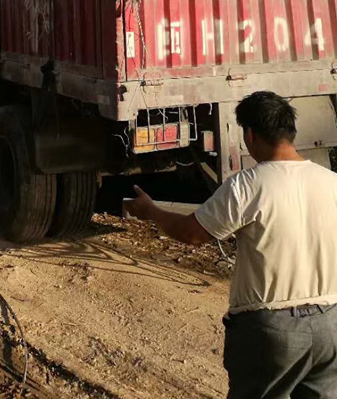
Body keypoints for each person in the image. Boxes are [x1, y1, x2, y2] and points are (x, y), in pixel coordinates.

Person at [128, 90, 337, 399]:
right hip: (330, 324)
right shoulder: (331, 182)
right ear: (290, 131)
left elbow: (193, 234)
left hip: (271, 329)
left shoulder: (247, 186)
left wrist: (152, 212)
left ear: (250, 135)